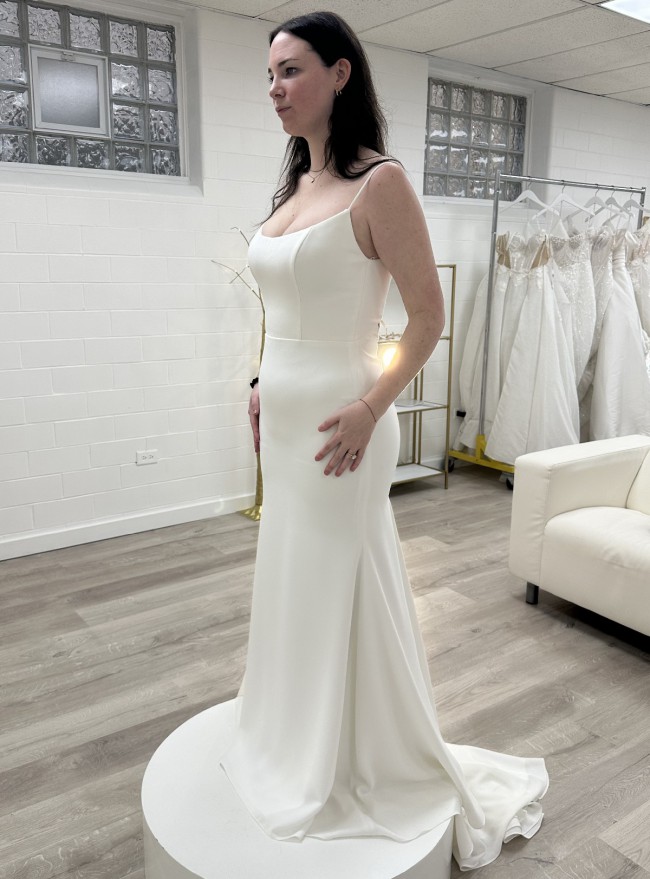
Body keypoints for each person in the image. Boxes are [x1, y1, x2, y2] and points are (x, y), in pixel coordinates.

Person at [221, 11, 548, 871]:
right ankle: (292, 727)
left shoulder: (381, 184)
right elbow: (287, 311)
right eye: (269, 75)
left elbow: (428, 317)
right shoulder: (297, 188)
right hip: (287, 419)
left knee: (342, 575)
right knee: (292, 569)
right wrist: (259, 384)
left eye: (291, 70)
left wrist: (372, 406)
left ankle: (356, 751)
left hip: (346, 425)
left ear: (340, 74)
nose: (275, 89)